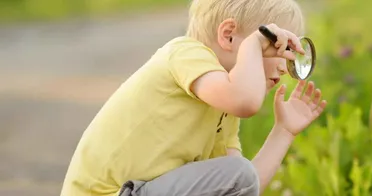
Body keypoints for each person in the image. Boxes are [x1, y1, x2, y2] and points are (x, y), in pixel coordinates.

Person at [60, 0, 327, 195]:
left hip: (140, 192)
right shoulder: (185, 53)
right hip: (111, 193)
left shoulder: (223, 107)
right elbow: (245, 102)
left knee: (238, 175)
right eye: (276, 48)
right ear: (229, 35)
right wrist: (253, 46)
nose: (284, 66)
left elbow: (244, 186)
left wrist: (284, 131)